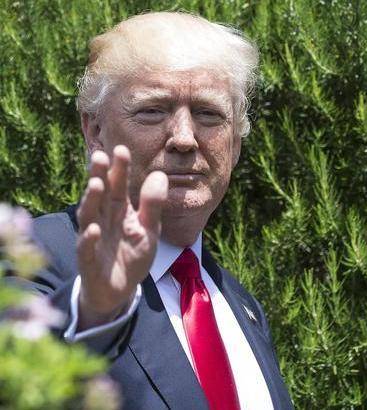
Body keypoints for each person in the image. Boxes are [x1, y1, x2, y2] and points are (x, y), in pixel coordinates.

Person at [28, 11, 293, 410]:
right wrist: (94, 309)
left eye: (208, 113)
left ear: (235, 143)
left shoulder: (240, 305)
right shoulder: (31, 256)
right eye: (153, 110)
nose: (184, 138)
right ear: (94, 131)